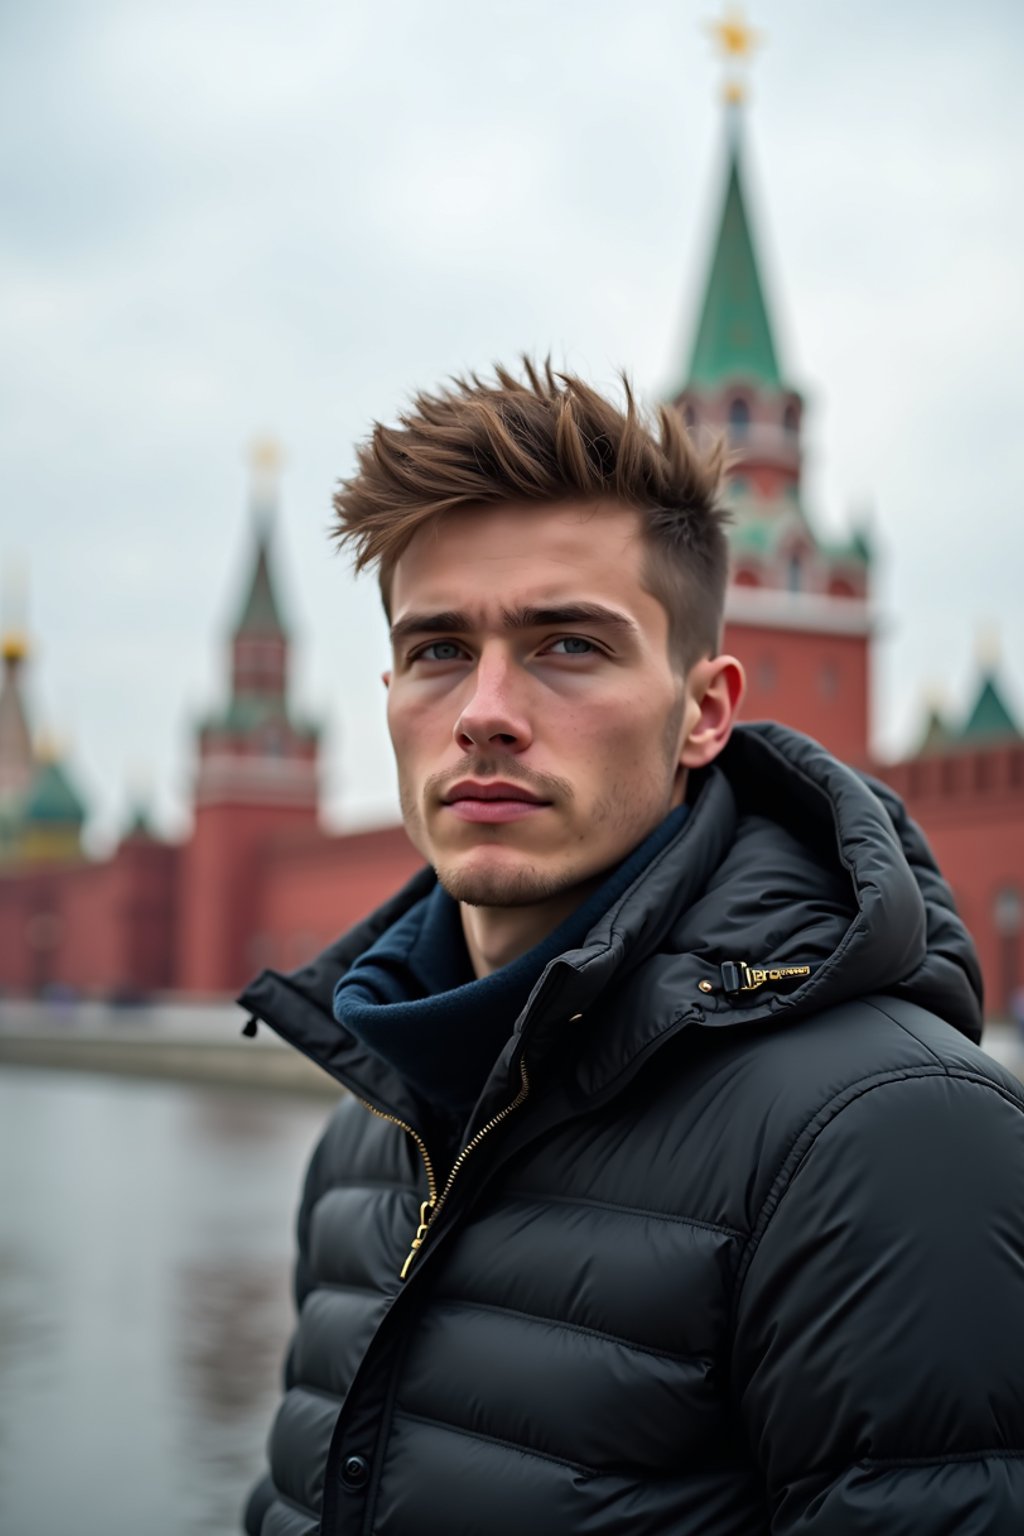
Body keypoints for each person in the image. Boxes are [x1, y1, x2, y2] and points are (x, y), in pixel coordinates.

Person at [239, 362, 1024, 1536]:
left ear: (704, 710)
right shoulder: (371, 1124)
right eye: (439, 649)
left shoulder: (894, 1130)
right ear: (390, 690)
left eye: (567, 646)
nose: (484, 710)